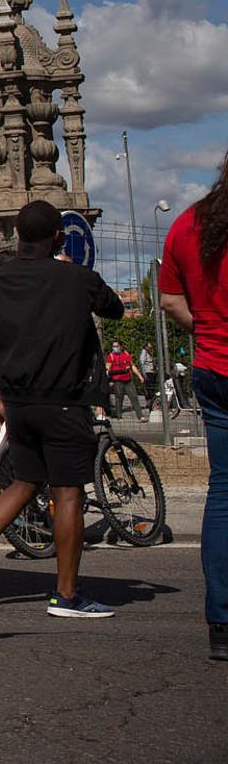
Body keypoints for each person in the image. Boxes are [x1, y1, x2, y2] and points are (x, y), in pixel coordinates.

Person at [0, 200, 125, 620]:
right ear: (58, 237)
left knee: (26, 479)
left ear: (16, 237)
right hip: (65, 401)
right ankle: (66, 595)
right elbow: (114, 309)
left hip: (17, 402)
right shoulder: (76, 279)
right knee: (68, 493)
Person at [157, 148, 228, 661]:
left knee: (222, 493)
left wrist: (209, 331)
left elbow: (169, 301)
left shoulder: (188, 223)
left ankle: (221, 622)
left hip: (213, 367)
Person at [105, 341, 143, 420]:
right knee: (119, 398)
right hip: (117, 381)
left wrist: (139, 376)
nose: (115, 348)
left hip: (128, 380)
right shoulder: (111, 356)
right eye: (113, 346)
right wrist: (109, 380)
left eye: (116, 346)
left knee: (134, 397)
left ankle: (140, 416)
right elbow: (107, 368)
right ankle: (119, 416)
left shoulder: (126, 355)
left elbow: (132, 366)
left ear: (121, 346)